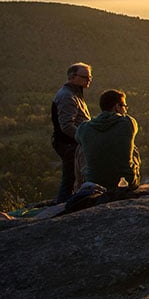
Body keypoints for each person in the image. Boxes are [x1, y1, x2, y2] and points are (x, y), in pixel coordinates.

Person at [76, 89, 140, 191]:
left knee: (81, 148)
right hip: (125, 182)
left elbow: (78, 139)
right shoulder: (128, 123)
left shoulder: (84, 128)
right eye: (124, 106)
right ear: (117, 107)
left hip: (94, 182)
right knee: (134, 148)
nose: (126, 110)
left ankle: (78, 186)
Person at [51, 62, 92, 203]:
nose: (89, 80)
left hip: (71, 143)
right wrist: (83, 139)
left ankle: (65, 204)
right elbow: (67, 126)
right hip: (69, 143)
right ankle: (63, 206)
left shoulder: (74, 93)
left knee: (73, 176)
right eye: (85, 77)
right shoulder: (67, 96)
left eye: (90, 77)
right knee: (70, 176)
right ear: (72, 77)